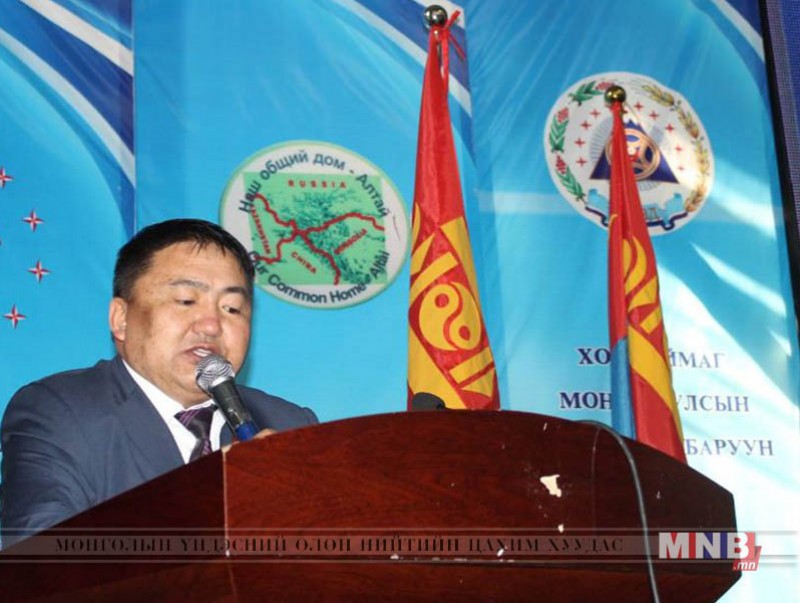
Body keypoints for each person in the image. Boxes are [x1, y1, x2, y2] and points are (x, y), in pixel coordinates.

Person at [0, 219, 317, 547]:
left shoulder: (290, 425)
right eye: (186, 300)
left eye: (232, 308)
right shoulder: (60, 412)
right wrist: (211, 497)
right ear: (121, 319)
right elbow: (40, 559)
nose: (211, 325)